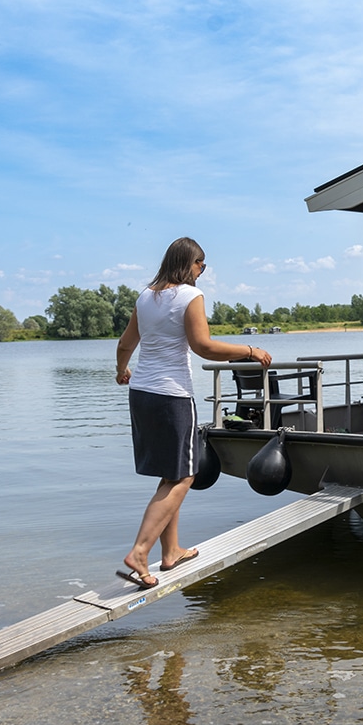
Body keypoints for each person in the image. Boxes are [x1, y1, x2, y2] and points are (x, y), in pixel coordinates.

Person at [114, 237, 272, 589]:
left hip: (142, 393)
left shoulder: (145, 296)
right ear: (190, 264)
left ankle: (170, 552)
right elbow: (204, 346)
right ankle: (140, 551)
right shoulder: (190, 296)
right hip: (172, 397)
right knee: (185, 476)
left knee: (170, 473)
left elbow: (126, 343)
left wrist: (121, 370)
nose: (203, 271)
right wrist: (249, 350)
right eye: (202, 264)